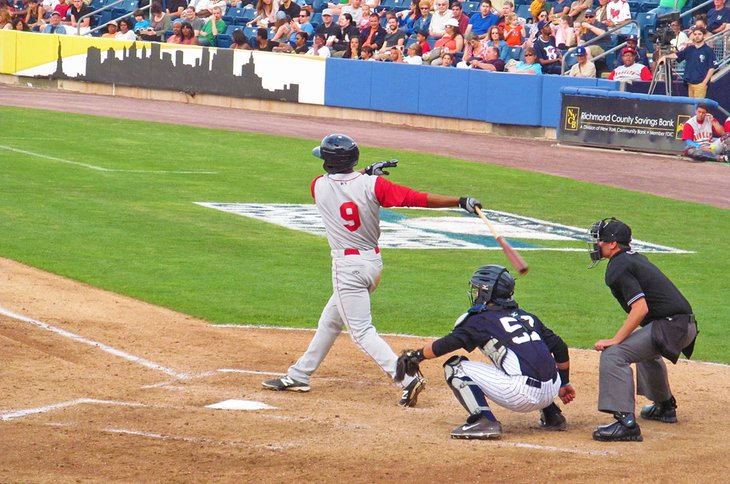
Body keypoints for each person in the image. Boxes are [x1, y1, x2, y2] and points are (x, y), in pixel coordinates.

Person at [262, 135, 483, 407]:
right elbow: (415, 198)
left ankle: (406, 378)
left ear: (329, 163)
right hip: (372, 265)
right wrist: (459, 201)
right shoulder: (374, 186)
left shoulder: (318, 187)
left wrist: (366, 172)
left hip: (347, 269)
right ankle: (300, 374)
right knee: (331, 321)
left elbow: (343, 183)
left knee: (361, 332)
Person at [397, 265, 575, 439]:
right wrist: (564, 383)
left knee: (455, 367)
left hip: (522, 395)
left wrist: (418, 355)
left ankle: (483, 420)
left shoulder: (480, 320)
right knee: (528, 354)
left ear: (486, 292)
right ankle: (552, 414)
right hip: (553, 389)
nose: (475, 294)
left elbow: (445, 344)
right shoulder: (527, 317)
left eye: (477, 290)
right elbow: (560, 347)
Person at [587, 218, 697, 442]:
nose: (597, 245)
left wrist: (616, 340)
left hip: (671, 326)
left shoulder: (618, 267)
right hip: (684, 325)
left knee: (614, 355)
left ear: (614, 244)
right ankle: (664, 406)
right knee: (643, 351)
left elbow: (640, 308)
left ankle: (625, 423)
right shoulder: (631, 259)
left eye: (601, 241)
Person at [659, 26, 717, 99]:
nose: (697, 36)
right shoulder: (690, 49)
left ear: (704, 36)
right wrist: (665, 57)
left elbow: (712, 67)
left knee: (698, 106)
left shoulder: (708, 50)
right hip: (690, 83)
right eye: (695, 34)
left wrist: (704, 82)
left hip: (700, 84)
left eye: (699, 34)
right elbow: (677, 55)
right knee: (691, 106)